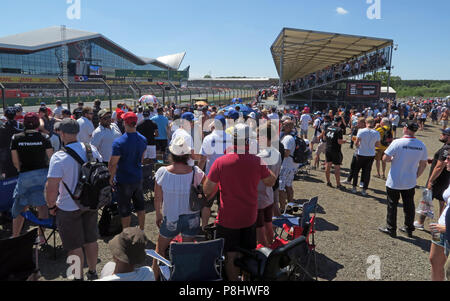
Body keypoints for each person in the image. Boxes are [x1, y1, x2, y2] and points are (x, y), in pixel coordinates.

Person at [203, 124, 276, 281]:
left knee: (230, 255)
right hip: (249, 216)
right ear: (249, 141)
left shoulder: (221, 162)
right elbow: (271, 181)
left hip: (227, 218)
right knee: (247, 252)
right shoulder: (257, 161)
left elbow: (207, 190)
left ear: (232, 140)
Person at [46, 118, 103, 281]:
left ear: (62, 133)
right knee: (91, 239)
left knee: (74, 246)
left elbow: (51, 188)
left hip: (68, 207)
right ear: (77, 132)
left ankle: (77, 276)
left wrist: (51, 206)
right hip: (90, 203)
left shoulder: (59, 157)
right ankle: (92, 272)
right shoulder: (91, 149)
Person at [152, 137, 205, 281]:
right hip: (192, 217)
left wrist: (158, 215)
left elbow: (157, 198)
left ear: (172, 154)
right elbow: (207, 189)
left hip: (171, 217)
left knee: (160, 249)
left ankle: (155, 277)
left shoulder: (162, 172)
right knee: (187, 251)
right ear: (188, 154)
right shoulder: (196, 171)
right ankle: (184, 278)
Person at [379, 121, 428, 238]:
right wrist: (416, 175)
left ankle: (391, 228)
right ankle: (408, 228)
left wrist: (393, 159)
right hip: (409, 180)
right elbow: (423, 164)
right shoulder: (421, 145)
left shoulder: (397, 142)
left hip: (395, 179)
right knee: (409, 205)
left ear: (405, 128)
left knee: (392, 205)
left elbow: (385, 158)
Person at [10, 113, 53, 242]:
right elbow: (51, 157)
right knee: (42, 206)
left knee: (20, 206)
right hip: (43, 173)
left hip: (25, 174)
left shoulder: (16, 138)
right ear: (37, 124)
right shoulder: (44, 137)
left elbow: (15, 161)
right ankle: (40, 236)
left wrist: (20, 170)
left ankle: (15, 236)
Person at [109, 112, 147, 231]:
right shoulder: (143, 139)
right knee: (140, 206)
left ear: (125, 123)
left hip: (123, 179)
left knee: (125, 210)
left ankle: (126, 234)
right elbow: (142, 158)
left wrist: (110, 179)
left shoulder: (119, 142)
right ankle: (141, 230)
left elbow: (112, 163)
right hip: (137, 177)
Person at [198, 115, 231, 229]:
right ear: (225, 125)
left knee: (207, 203)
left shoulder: (208, 138)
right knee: (224, 204)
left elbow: (202, 159)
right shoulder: (231, 138)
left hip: (211, 176)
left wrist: (198, 173)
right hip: (226, 176)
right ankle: (223, 226)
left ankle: (204, 227)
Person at [414, 128, 450, 230]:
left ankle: (420, 223)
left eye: (444, 134)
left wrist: (430, 180)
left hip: (438, 179)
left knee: (427, 199)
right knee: (442, 200)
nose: (441, 135)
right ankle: (441, 223)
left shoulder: (446, 149)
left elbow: (439, 166)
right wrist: (433, 160)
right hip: (446, 179)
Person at [256, 125, 282, 247]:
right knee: (268, 223)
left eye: (258, 136)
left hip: (259, 196)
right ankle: (271, 245)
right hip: (269, 194)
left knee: (260, 227)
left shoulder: (261, 156)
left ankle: (264, 253)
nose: (256, 139)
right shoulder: (276, 152)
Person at [428, 152, 450, 281]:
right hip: (440, 227)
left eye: (448, 159)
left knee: (448, 269)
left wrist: (446, 228)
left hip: (446, 230)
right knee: (434, 261)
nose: (445, 162)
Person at [349, 117, 381, 196]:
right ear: (373, 123)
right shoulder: (376, 133)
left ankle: (354, 188)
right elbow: (377, 145)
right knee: (367, 172)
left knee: (356, 171)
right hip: (370, 154)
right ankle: (364, 189)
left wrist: (361, 145)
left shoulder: (361, 131)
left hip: (361, 153)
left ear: (366, 123)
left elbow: (356, 143)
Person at [279, 120, 300, 212]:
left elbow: (286, 153)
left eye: (284, 124)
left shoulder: (287, 138)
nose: (282, 126)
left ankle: (282, 208)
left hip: (286, 165)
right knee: (288, 185)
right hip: (292, 165)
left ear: (288, 127)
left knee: (281, 188)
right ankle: (290, 205)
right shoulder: (293, 136)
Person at [0, 107, 23, 179]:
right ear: (15, 114)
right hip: (19, 153)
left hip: (6, 155)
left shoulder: (2, 127)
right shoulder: (20, 126)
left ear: (5, 115)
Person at [324, 117, 346, 190]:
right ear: (339, 122)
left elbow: (324, 138)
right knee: (337, 167)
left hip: (328, 148)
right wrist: (344, 141)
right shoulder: (339, 130)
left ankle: (328, 181)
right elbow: (339, 141)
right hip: (335, 150)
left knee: (328, 165)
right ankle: (338, 184)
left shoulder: (328, 127)